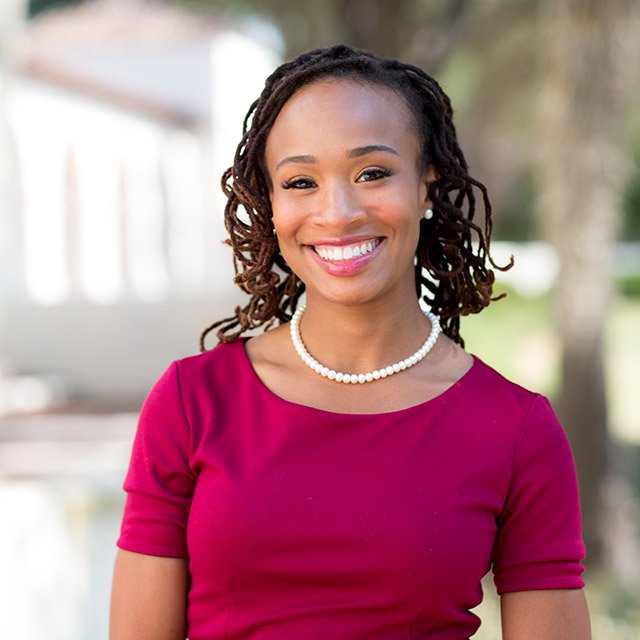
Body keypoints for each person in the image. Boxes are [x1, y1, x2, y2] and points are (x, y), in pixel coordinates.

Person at [110, 45, 590, 640]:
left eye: (372, 173)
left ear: (426, 186)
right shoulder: (192, 402)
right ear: (272, 205)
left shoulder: (516, 430)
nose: (336, 213)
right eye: (301, 181)